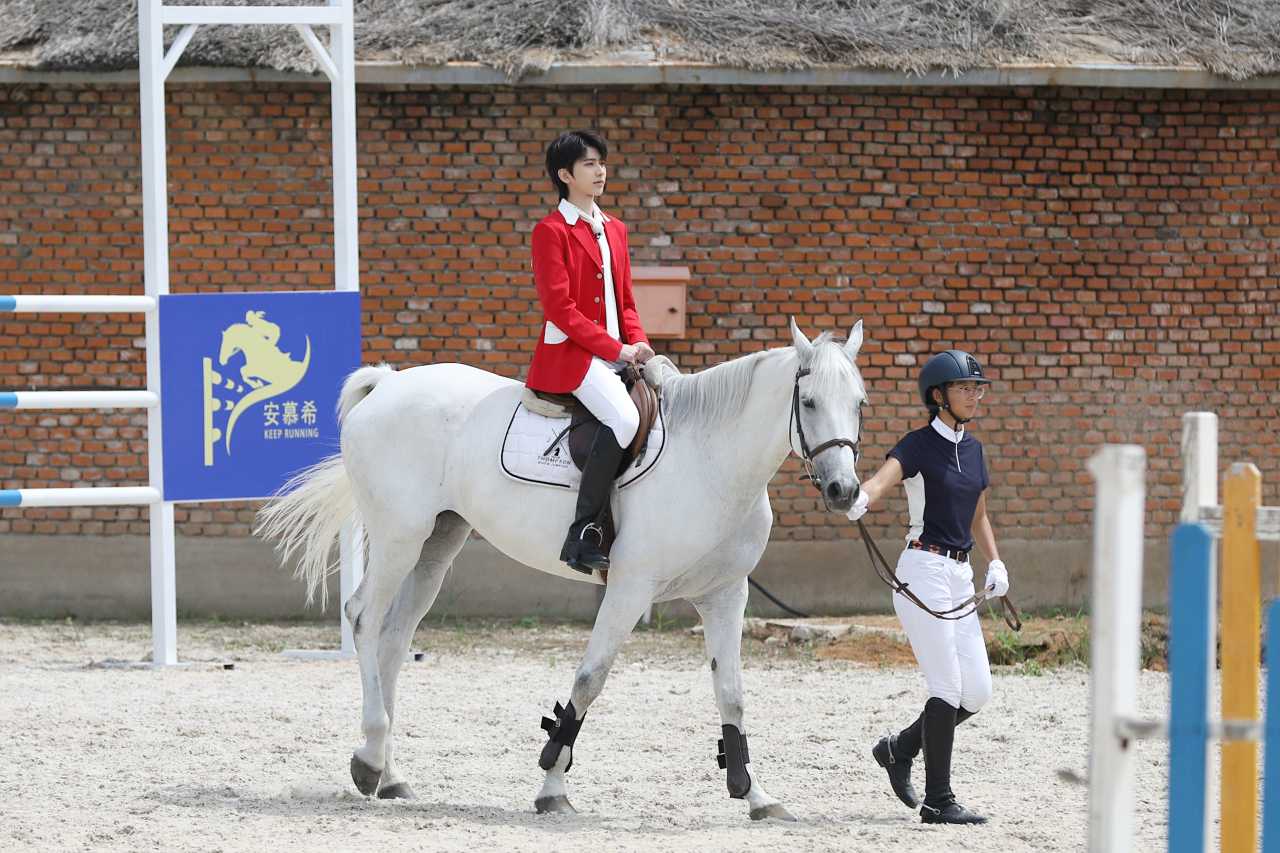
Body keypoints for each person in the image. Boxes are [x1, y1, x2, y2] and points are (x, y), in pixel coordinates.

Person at [844, 350, 1010, 825]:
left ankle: (899, 749)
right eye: (965, 388)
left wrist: (995, 563)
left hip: (960, 575)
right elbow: (880, 481)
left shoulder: (974, 449)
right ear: (938, 396)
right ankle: (938, 800)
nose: (975, 395)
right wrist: (860, 498)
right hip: (923, 569)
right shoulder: (917, 445)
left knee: (975, 692)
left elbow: (978, 515)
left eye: (979, 388)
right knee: (946, 686)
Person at [526, 130, 654, 574]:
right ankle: (584, 531)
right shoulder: (550, 232)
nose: (599, 171)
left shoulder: (615, 229)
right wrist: (617, 350)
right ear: (565, 175)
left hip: (619, 352)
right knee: (624, 417)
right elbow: (561, 311)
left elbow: (627, 302)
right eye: (588, 164)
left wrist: (638, 342)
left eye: (601, 162)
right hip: (574, 358)